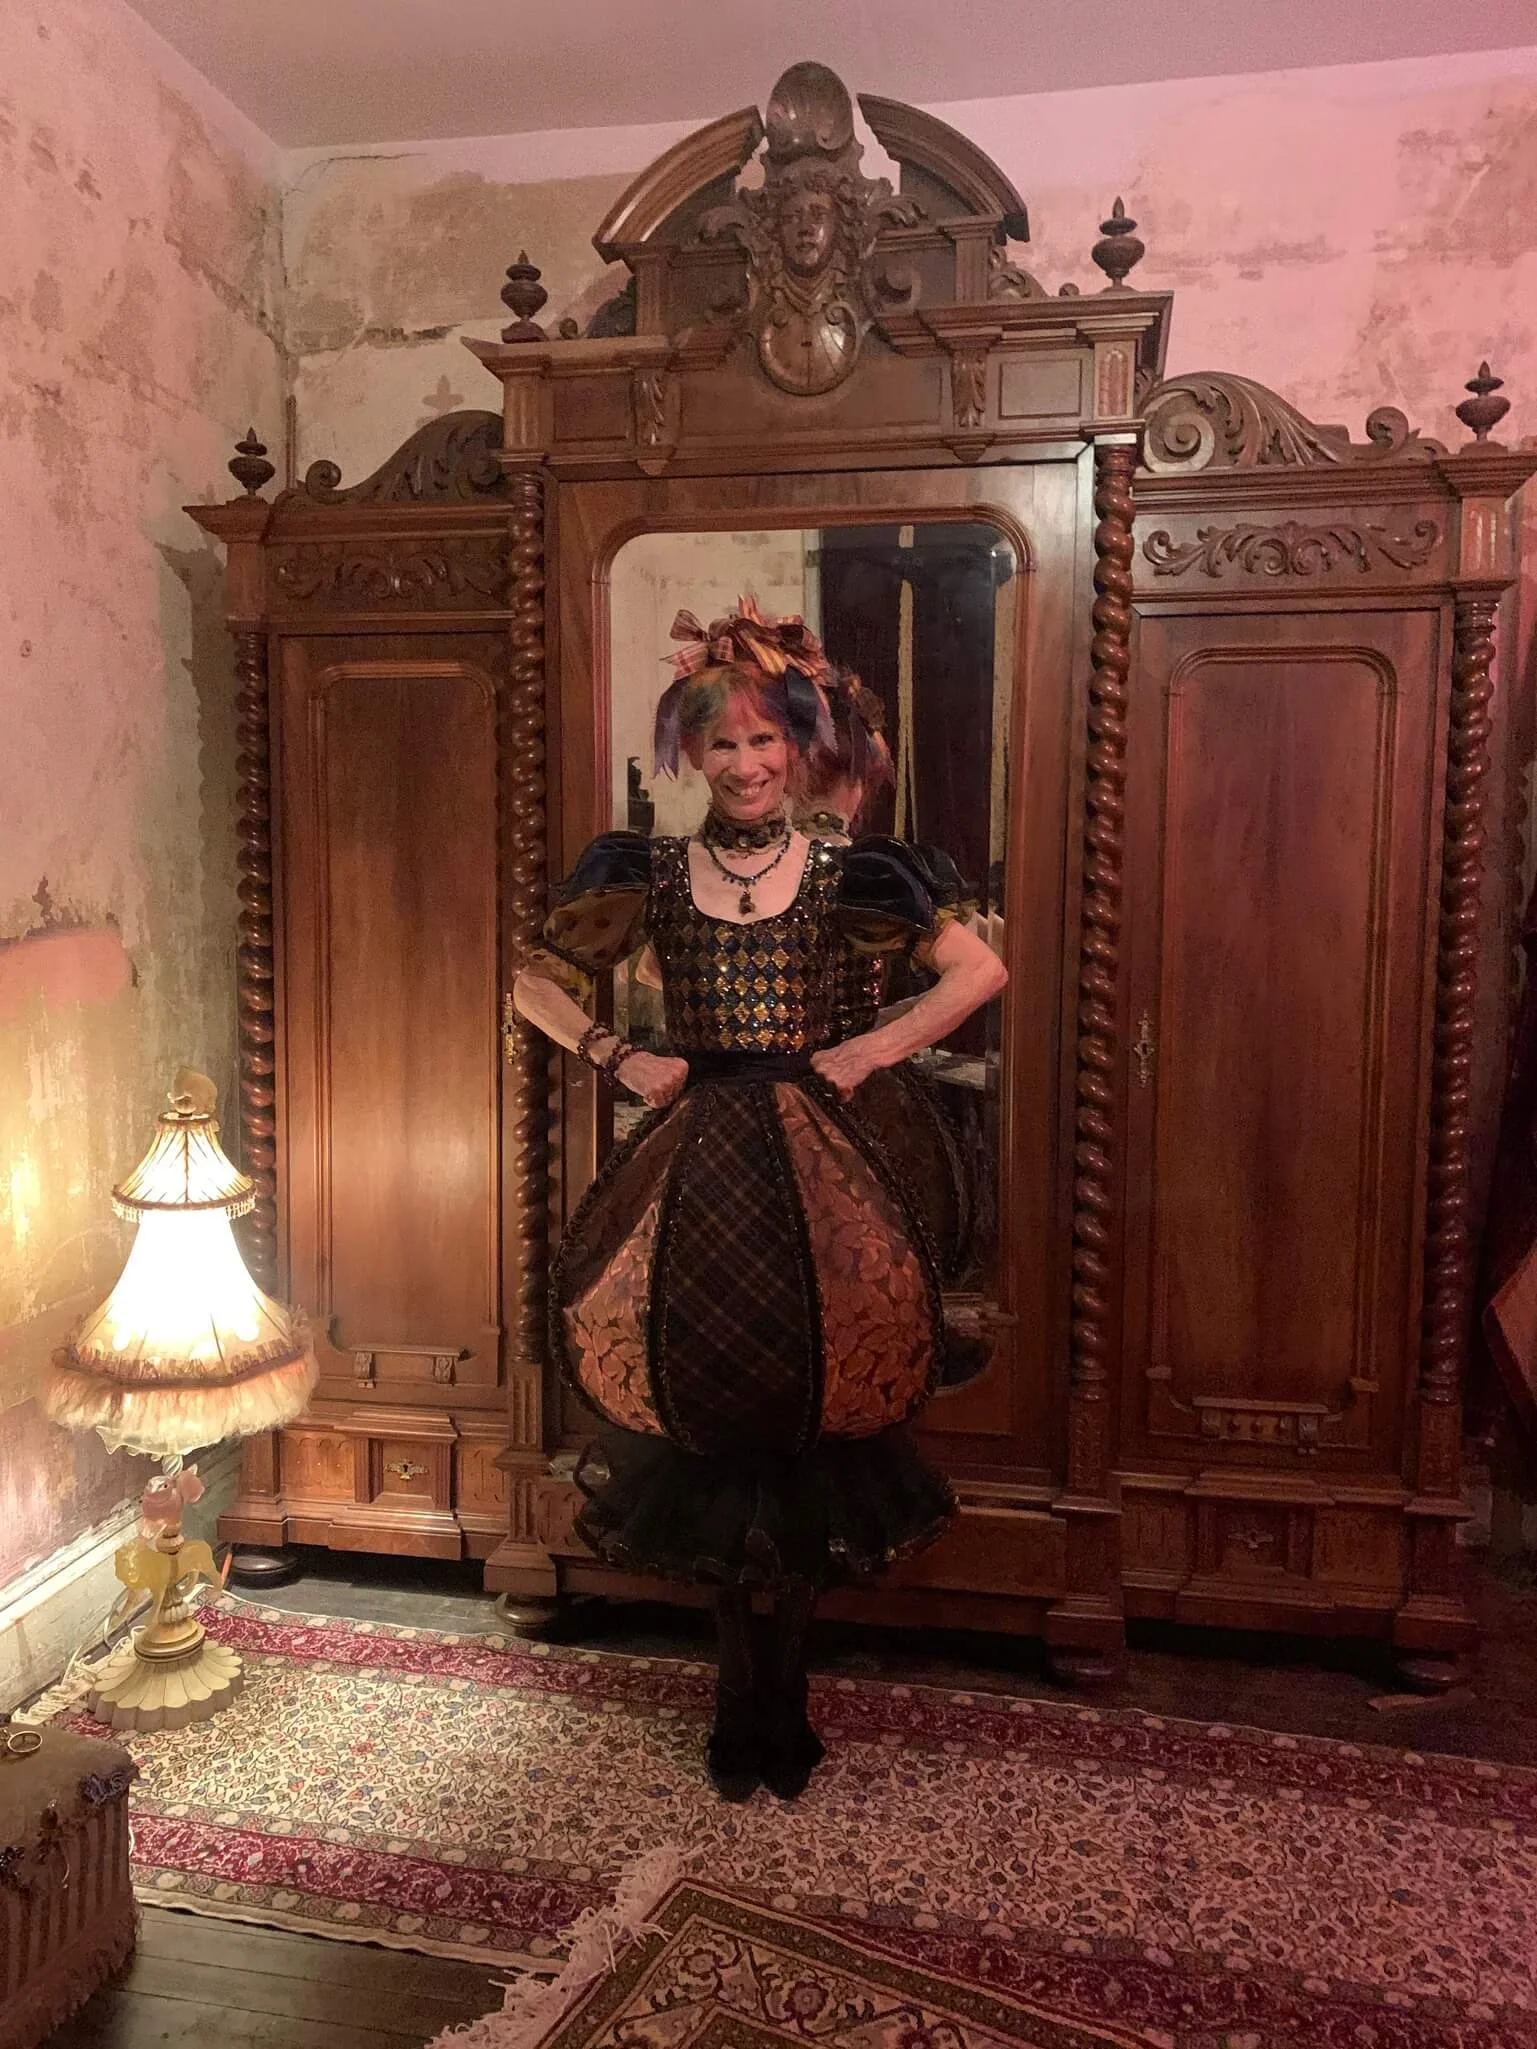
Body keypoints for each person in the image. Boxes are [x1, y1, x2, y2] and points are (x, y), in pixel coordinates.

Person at [512, 598, 1007, 1802]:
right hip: (694, 1169)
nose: (744, 765)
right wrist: (615, 1055)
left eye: (764, 741)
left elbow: (980, 969)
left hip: (821, 1166)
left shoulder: (855, 871)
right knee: (709, 1396)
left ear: (797, 747)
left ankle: (784, 1695)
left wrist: (873, 1049)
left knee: (815, 1398)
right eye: (721, 743)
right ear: (692, 752)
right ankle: (739, 1694)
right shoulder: (643, 870)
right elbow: (529, 982)